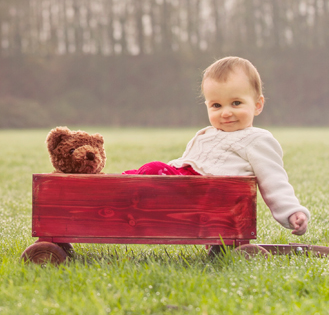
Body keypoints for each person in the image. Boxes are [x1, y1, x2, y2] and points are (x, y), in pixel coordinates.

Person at [123, 56, 310, 235]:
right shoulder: (207, 133)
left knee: (152, 170)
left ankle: (123, 193)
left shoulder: (257, 140)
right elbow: (188, 163)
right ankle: (114, 188)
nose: (225, 113)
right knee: (133, 176)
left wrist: (292, 211)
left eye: (236, 103)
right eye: (216, 105)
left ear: (258, 105)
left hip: (206, 198)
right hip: (187, 188)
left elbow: (274, 180)